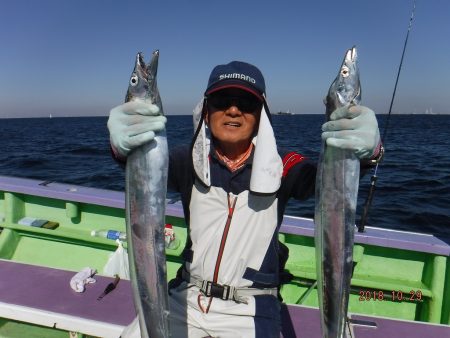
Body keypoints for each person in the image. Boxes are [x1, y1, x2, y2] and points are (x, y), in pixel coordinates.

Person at [108, 61, 382, 337]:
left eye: (246, 103)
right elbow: (145, 174)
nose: (233, 110)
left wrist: (367, 153)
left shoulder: (283, 165)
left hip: (252, 305)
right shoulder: (186, 161)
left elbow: (327, 181)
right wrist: (124, 147)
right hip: (185, 296)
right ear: (206, 108)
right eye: (221, 100)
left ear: (261, 113)